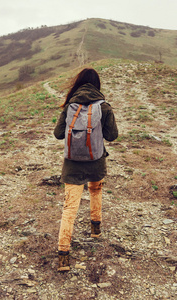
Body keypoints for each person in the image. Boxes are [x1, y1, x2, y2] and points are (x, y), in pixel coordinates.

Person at [53, 68, 119, 272]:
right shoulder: (104, 106)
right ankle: (95, 228)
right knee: (95, 191)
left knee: (70, 207)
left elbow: (57, 134)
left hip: (72, 163)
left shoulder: (70, 106)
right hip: (96, 160)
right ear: (97, 84)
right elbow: (112, 136)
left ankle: (63, 255)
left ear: (78, 84)